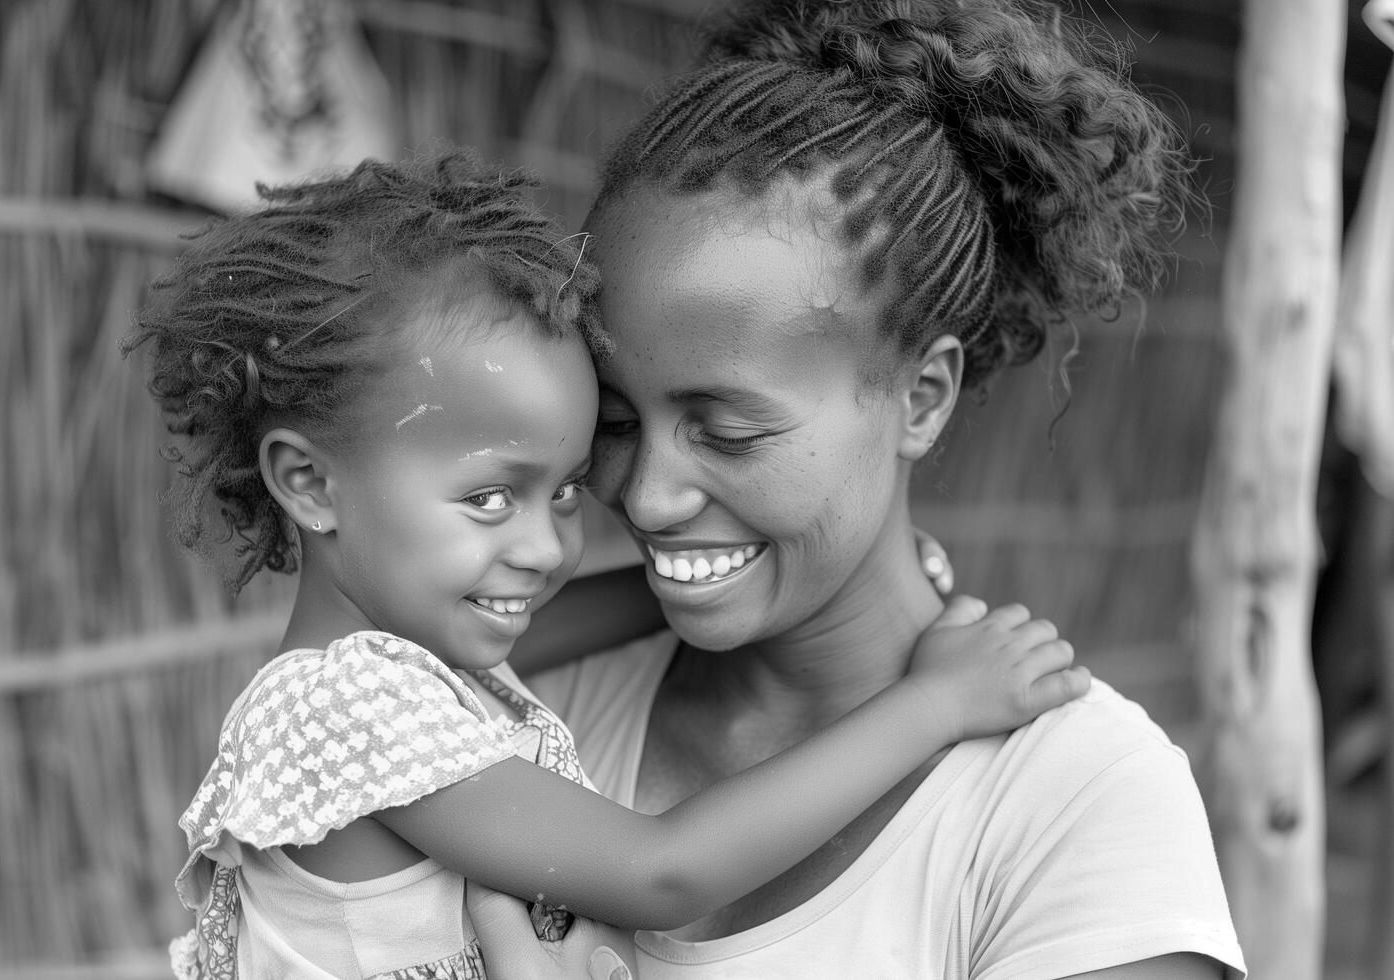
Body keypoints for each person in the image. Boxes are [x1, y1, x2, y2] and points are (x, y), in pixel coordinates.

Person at [126, 150, 1088, 979]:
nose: (547, 549)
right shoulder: (345, 712)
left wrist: (857, 575)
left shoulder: (427, 661)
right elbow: (661, 873)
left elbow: (620, 604)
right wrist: (936, 704)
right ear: (311, 483)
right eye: (492, 497)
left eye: (569, 491)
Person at [471, 0, 1248, 977]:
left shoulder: (1075, 804)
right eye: (617, 419)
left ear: (921, 398)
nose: (650, 495)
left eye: (729, 429)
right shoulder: (515, 701)